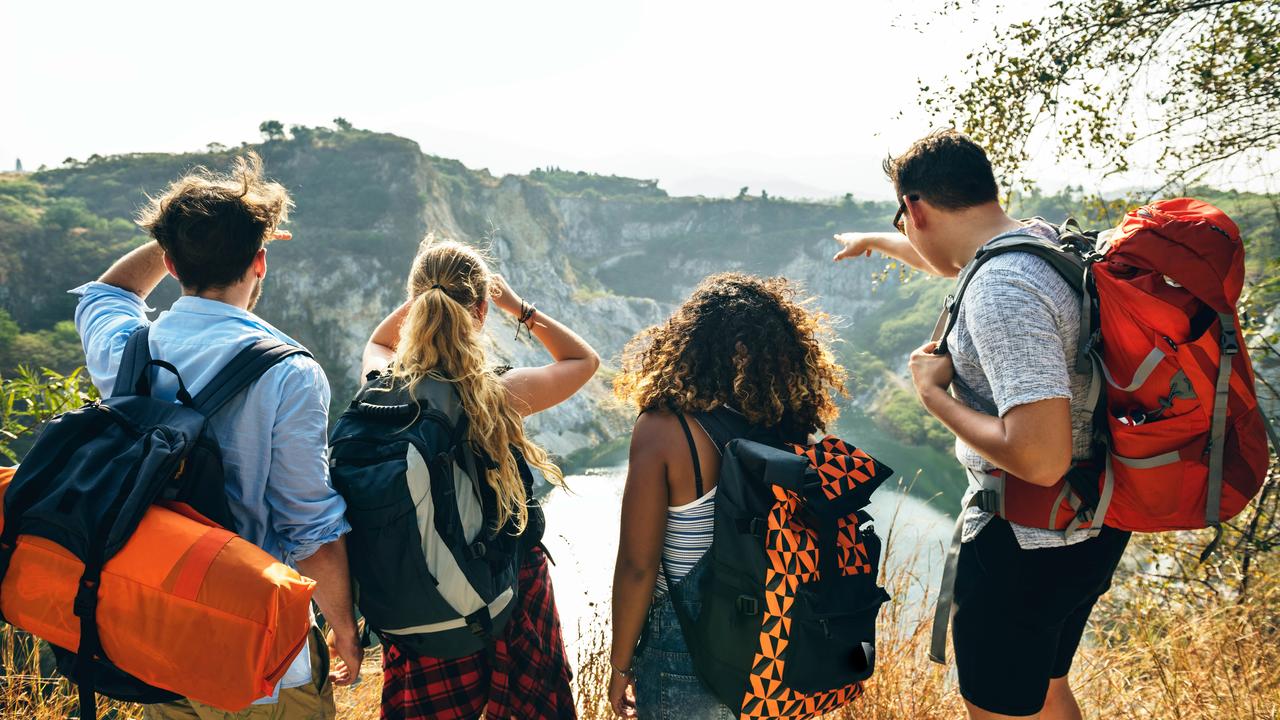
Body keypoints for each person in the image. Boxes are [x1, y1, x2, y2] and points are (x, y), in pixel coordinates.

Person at [832, 129, 1131, 720]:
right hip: (1090, 521)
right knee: (1046, 690)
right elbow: (952, 259)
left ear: (914, 208)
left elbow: (1040, 459)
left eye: (900, 218)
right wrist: (876, 240)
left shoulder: (1001, 292)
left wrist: (931, 393)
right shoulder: (1039, 244)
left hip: (1024, 539)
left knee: (998, 709)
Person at [69, 153, 361, 719]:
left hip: (158, 644)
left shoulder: (127, 348)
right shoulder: (290, 372)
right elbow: (309, 526)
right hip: (262, 659)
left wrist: (185, 237)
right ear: (261, 263)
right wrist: (345, 627)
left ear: (172, 265)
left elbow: (109, 293)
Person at [360, 236, 599, 720]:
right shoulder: (498, 394)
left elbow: (379, 342)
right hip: (510, 592)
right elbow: (582, 361)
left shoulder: (383, 389)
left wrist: (425, 296)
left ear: (417, 305)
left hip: (424, 599)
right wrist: (519, 308)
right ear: (482, 310)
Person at [606, 272, 848, 719]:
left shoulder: (665, 429)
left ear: (691, 345)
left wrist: (620, 666)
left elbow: (638, 567)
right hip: (773, 658)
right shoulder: (788, 431)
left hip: (683, 652)